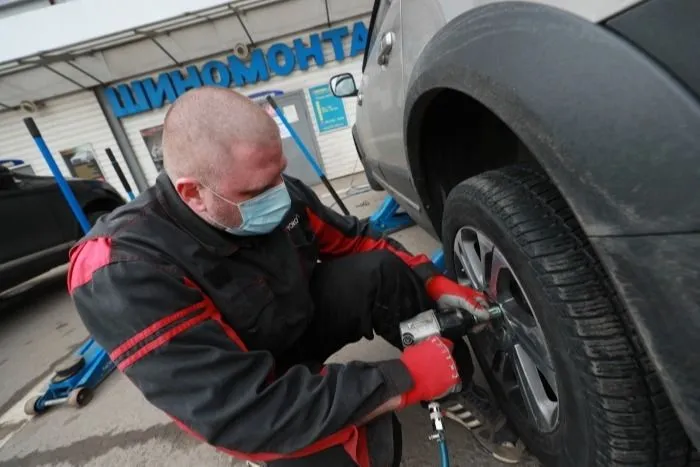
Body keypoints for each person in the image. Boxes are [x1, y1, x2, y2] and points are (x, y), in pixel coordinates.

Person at [68, 87, 522, 466]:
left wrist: (431, 282)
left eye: (279, 175)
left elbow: (359, 240)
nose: (277, 195)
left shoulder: (274, 189)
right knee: (353, 447)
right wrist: (399, 379)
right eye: (256, 192)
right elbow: (239, 410)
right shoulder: (121, 269)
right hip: (246, 376)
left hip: (295, 320)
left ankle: (451, 384)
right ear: (194, 194)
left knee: (384, 271)